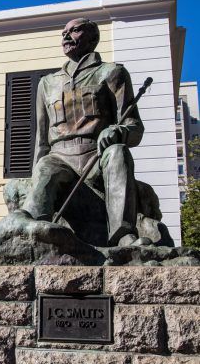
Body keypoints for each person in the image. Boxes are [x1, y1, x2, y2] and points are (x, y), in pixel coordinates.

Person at [21, 18, 147, 247]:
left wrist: (117, 131)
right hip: (60, 157)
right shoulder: (47, 83)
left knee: (118, 152)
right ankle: (32, 233)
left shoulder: (112, 73)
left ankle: (122, 236)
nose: (66, 37)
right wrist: (35, 173)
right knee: (46, 168)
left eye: (74, 31)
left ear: (92, 38)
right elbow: (41, 140)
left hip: (97, 156)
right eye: (63, 33)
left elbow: (134, 126)